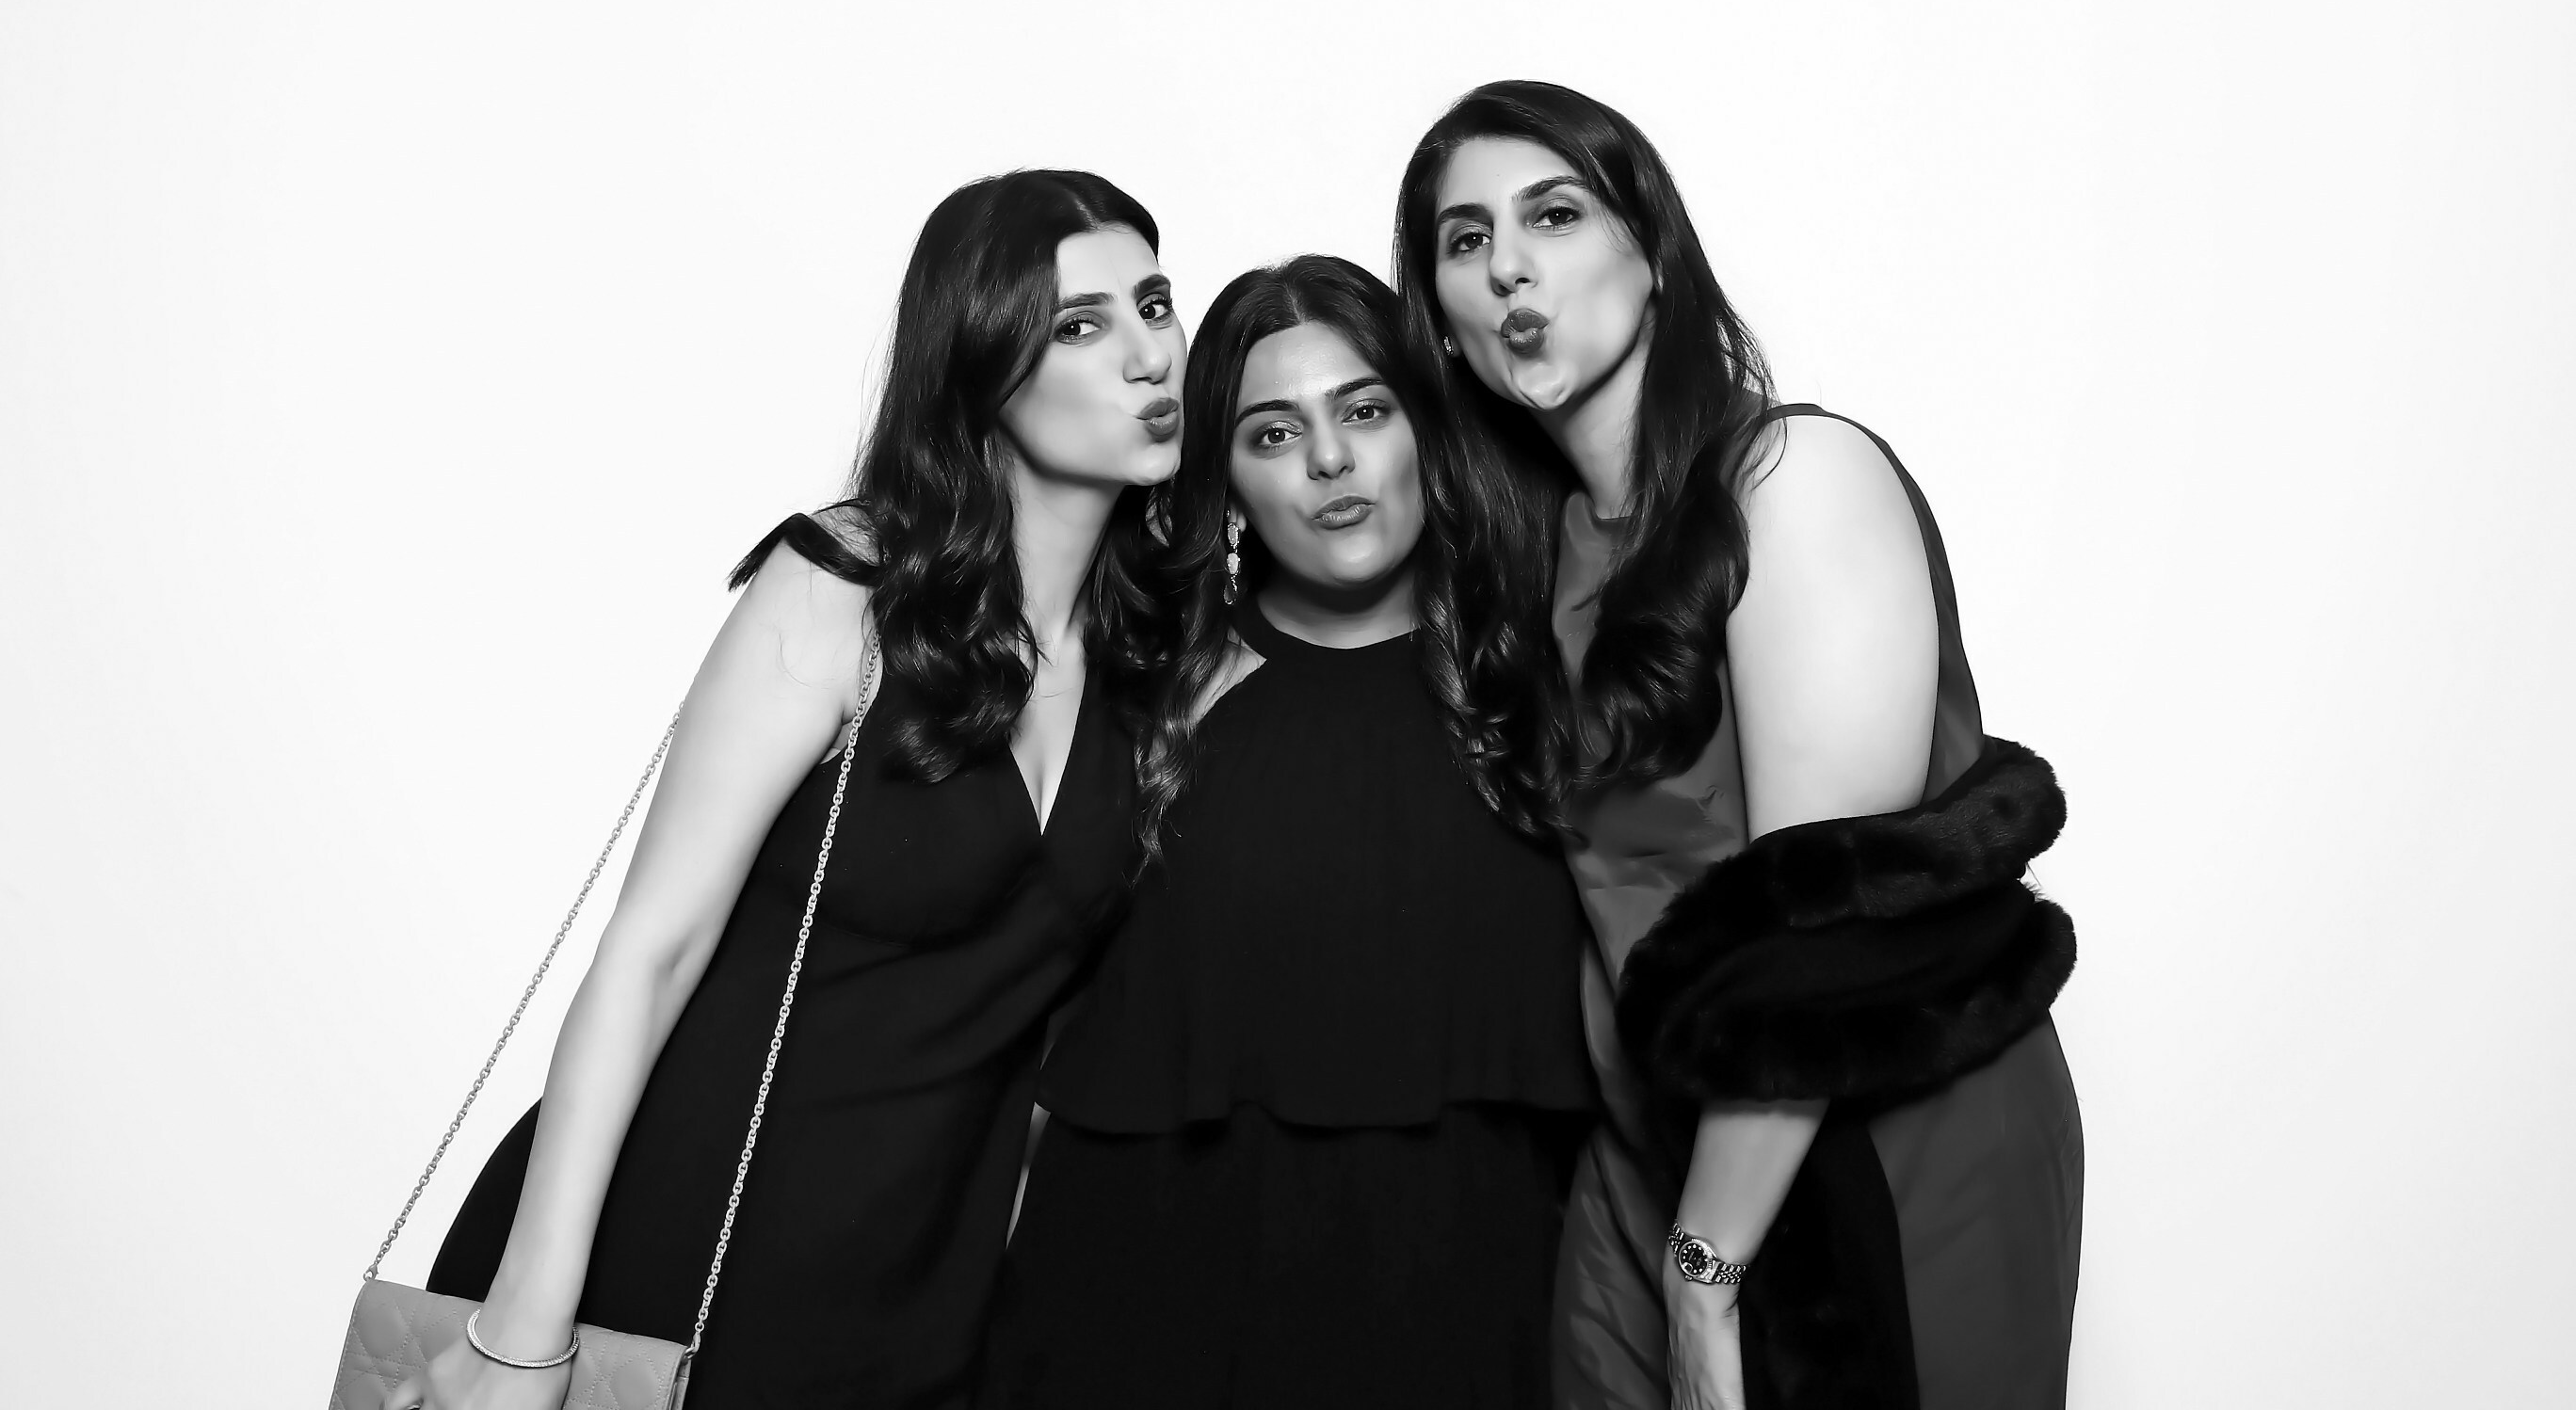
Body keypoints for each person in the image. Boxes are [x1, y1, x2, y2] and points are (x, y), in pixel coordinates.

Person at [404, 169, 1187, 1410]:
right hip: (672, 1255)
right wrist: (523, 1336)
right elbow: (651, 952)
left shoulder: (1147, 662)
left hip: (918, 1307)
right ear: (983, 367)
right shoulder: (846, 586)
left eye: (1154, 304)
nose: (1150, 354)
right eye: (1082, 326)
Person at [1393, 82, 2084, 1410]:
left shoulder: (1792, 481)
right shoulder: (1530, 566)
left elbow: (1822, 928)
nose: (1509, 265)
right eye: (1465, 241)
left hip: (1877, 1140)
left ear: (1653, 252)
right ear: (1446, 322)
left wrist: (1704, 1271)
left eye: (1553, 214)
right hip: (1653, 1152)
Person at [979, 256, 1599, 1409]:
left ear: (1427, 432)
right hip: (1141, 1315)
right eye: (1272, 433)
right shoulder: (1142, 700)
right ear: (1223, 481)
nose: (1328, 460)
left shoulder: (1547, 682)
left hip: (1475, 1308)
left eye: (1364, 411)